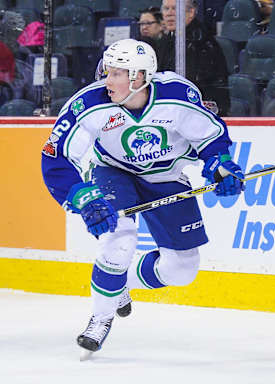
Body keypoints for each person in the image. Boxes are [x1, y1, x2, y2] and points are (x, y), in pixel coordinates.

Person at [41, 38, 244, 355]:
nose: (107, 81)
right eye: (107, 72)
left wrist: (221, 166)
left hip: (166, 176)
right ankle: (101, 317)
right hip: (113, 172)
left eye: (116, 74)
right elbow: (57, 159)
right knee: (119, 241)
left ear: (138, 77)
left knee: (182, 269)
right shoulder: (89, 104)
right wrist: (82, 195)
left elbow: (210, 138)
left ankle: (120, 283)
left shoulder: (177, 96)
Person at [157, 0, 230, 116]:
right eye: (166, 9)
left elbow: (194, 85)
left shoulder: (200, 42)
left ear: (191, 12)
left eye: (175, 9)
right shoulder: (167, 40)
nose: (169, 13)